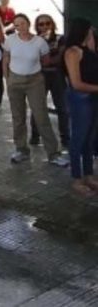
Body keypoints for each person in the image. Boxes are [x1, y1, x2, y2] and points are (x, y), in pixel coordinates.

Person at [3, 14, 67, 166]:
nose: (20, 27)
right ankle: (21, 150)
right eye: (17, 25)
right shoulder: (10, 40)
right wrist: (8, 78)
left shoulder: (40, 42)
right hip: (15, 81)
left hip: (34, 81)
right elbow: (5, 58)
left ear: (28, 23)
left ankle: (53, 153)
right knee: (18, 117)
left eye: (23, 23)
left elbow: (45, 61)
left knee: (41, 116)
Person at [63, 18, 98, 196]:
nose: (93, 32)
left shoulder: (88, 50)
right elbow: (76, 83)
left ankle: (89, 175)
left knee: (90, 139)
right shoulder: (73, 52)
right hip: (81, 99)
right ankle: (77, 178)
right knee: (78, 139)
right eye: (90, 30)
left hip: (92, 97)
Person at [31, 14, 69, 147]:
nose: (45, 26)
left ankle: (65, 137)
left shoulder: (61, 38)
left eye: (48, 23)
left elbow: (58, 58)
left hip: (57, 75)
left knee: (63, 107)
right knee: (37, 106)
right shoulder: (34, 40)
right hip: (40, 76)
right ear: (37, 27)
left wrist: (45, 58)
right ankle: (35, 136)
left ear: (52, 24)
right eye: (41, 24)